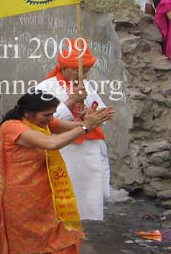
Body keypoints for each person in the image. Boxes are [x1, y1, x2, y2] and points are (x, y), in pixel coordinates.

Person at [0, 91, 114, 254]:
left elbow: (73, 127)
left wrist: (92, 120)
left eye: (52, 114)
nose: (51, 118)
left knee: (61, 235)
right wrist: (86, 126)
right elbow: (53, 143)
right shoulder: (13, 127)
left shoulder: (40, 122)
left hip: (46, 194)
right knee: (29, 242)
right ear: (27, 113)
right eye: (47, 114)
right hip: (22, 198)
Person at [35, 40, 110, 221]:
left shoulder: (86, 86)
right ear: (64, 68)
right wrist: (70, 101)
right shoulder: (46, 88)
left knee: (86, 199)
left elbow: (97, 108)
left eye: (86, 72)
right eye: (79, 71)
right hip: (63, 149)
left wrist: (95, 114)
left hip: (88, 149)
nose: (83, 75)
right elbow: (42, 120)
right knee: (60, 198)